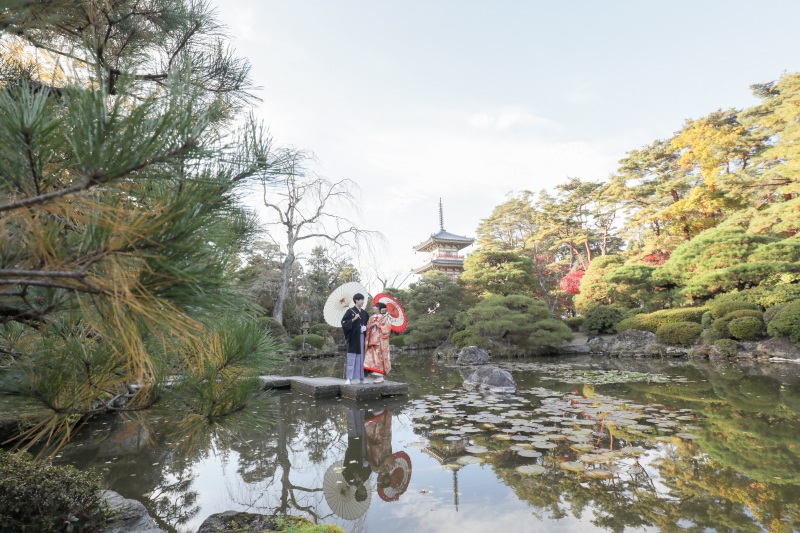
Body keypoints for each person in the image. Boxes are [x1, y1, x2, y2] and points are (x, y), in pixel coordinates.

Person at [341, 293, 368, 385]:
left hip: (362, 337)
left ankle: (361, 377)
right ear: (356, 300)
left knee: (362, 357)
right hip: (354, 338)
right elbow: (344, 323)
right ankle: (349, 378)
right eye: (361, 300)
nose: (363, 302)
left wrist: (365, 328)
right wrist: (353, 319)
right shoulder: (350, 312)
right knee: (352, 357)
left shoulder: (364, 313)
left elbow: (368, 323)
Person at [363, 302, 392, 383]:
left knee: (379, 358)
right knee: (370, 357)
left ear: (380, 308)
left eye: (376, 306)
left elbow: (388, 328)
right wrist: (371, 325)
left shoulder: (385, 318)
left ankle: (380, 376)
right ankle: (376, 375)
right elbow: (368, 326)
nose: (374, 307)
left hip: (380, 340)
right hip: (371, 339)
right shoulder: (371, 317)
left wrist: (379, 325)